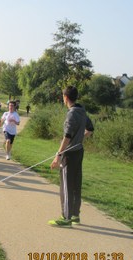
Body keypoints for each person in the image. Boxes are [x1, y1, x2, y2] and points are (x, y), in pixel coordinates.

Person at [49, 86, 94, 226]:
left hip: (69, 154)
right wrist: (79, 140)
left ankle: (66, 217)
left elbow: (67, 136)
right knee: (75, 183)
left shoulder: (72, 113)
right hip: (79, 151)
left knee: (66, 185)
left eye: (63, 97)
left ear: (66, 98)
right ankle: (75, 215)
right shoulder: (82, 111)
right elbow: (90, 129)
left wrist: (58, 155)